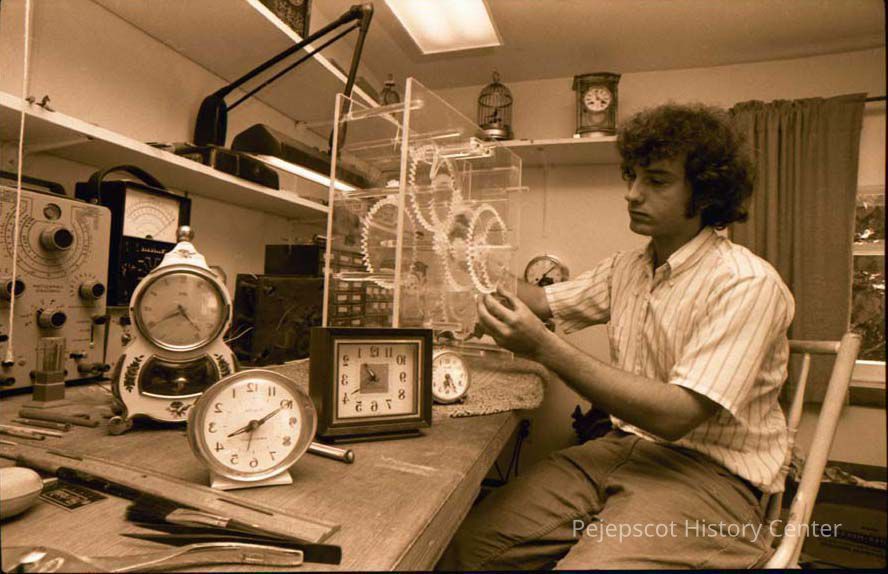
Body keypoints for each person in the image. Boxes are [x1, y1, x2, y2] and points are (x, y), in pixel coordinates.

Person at [439, 103, 795, 570]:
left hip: (712, 474)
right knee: (462, 548)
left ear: (706, 193)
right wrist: (463, 251)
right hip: (623, 446)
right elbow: (539, 300)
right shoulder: (626, 268)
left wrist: (543, 347)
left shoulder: (747, 283)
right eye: (631, 176)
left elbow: (675, 416)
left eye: (656, 181)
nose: (632, 193)